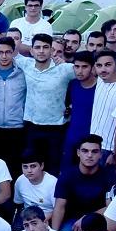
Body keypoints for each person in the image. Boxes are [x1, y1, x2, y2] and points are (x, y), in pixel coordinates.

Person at [22, 33, 77, 166]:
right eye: (37, 47)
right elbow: (1, 58)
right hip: (31, 125)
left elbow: (89, 72)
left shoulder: (64, 69)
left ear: (52, 50)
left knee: (53, 167)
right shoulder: (25, 64)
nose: (41, 51)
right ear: (32, 51)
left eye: (45, 47)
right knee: (32, 166)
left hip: (56, 128)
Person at [51, 135, 115, 231]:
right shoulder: (67, 176)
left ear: (100, 154)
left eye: (94, 151)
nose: (89, 155)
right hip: (72, 221)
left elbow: (112, 207)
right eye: (85, 151)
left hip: (99, 220)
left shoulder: (108, 176)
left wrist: (88, 218)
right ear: (78, 153)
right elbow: (59, 207)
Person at [0, 37, 28, 163]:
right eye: (0, 52)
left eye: (8, 52)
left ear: (13, 52)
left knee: (14, 166)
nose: (4, 56)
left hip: (17, 128)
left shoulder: (23, 73)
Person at [59, 51, 98, 174]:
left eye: (84, 67)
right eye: (77, 66)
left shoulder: (101, 87)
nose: (80, 71)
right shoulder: (72, 84)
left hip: (92, 139)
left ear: (92, 67)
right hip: (72, 138)